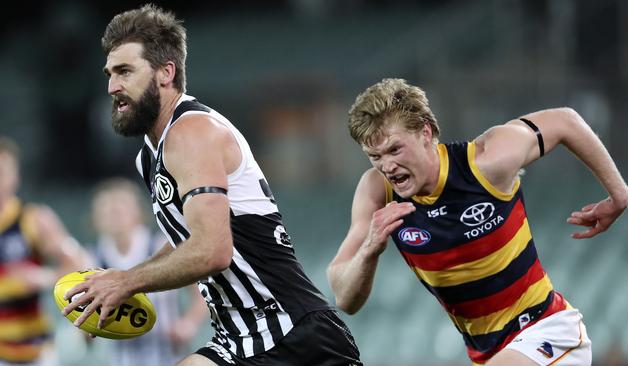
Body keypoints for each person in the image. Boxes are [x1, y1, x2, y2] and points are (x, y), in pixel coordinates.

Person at [63, 5, 362, 366]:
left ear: (165, 73)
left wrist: (126, 281)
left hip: (292, 335)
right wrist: (117, 283)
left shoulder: (192, 133)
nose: (112, 86)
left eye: (125, 71)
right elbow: (188, 243)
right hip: (237, 336)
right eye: (110, 74)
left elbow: (212, 251)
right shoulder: (149, 155)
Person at [327, 78, 628, 365]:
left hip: (547, 331)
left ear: (425, 133)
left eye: (394, 149)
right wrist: (370, 249)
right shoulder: (377, 192)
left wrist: (619, 196)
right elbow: (345, 297)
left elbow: (565, 121)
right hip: (488, 354)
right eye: (375, 156)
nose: (388, 166)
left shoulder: (486, 162)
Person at [89, 177, 208, 366]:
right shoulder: (91, 259)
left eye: (120, 207)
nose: (115, 214)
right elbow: (84, 325)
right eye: (108, 210)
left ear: (138, 212)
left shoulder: (161, 247)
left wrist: (189, 323)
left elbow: (202, 294)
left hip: (169, 357)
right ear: (96, 219)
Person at [0, 136, 91, 365]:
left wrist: (45, 276)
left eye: (2, 171)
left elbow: (79, 263)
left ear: (15, 177)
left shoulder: (34, 219)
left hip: (30, 352)